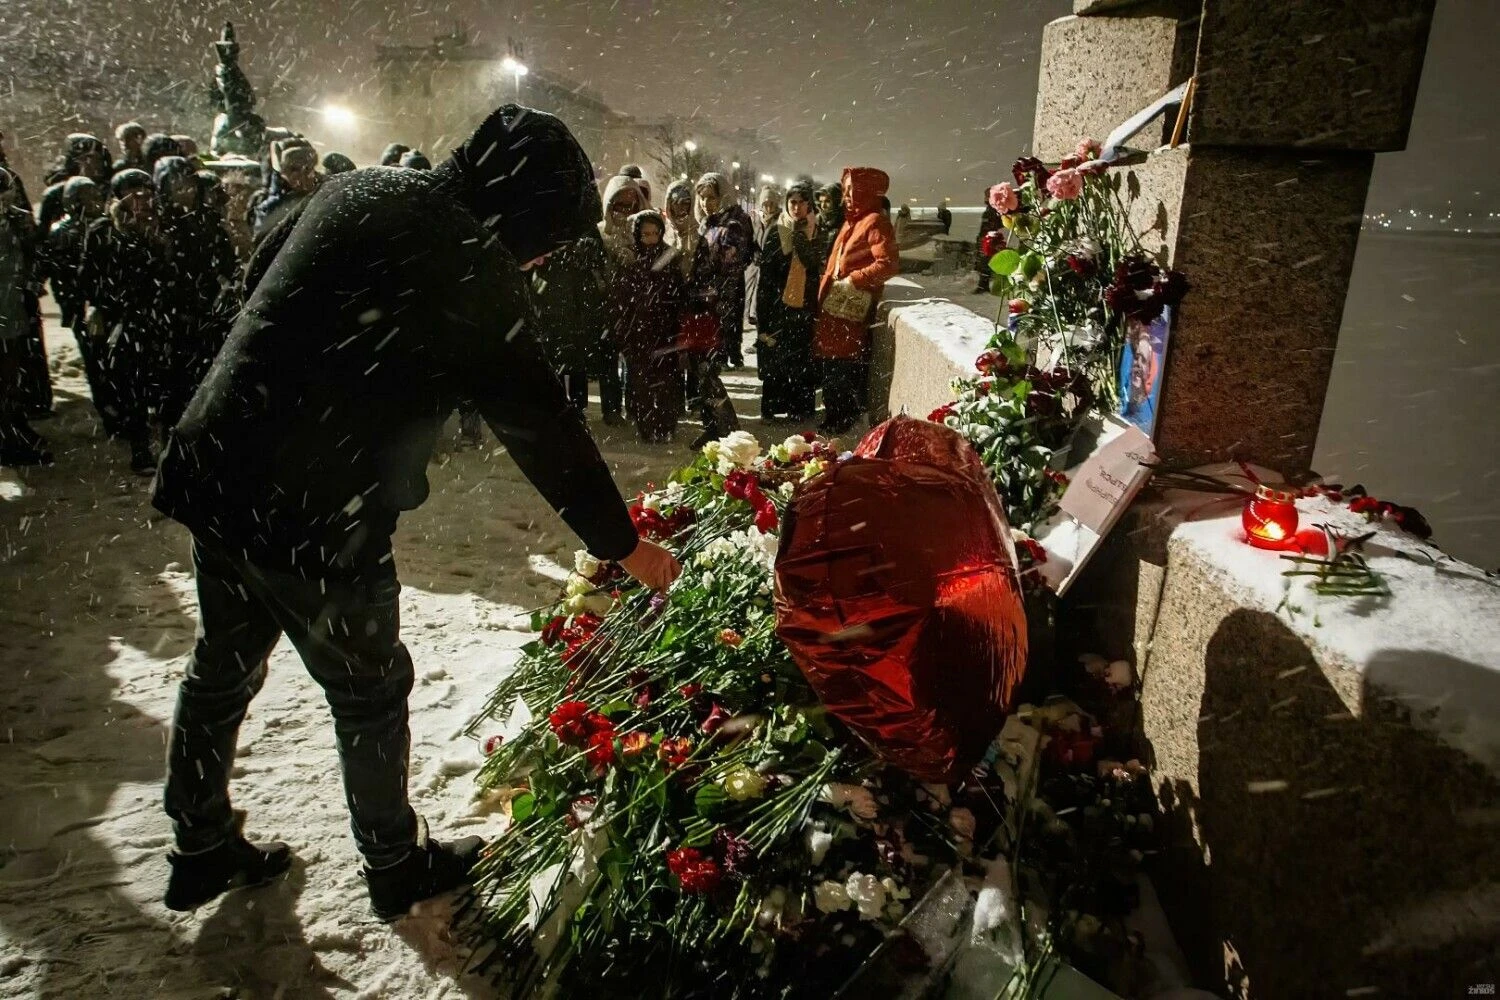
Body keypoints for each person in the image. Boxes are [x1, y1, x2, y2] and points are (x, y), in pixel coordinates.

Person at [150, 104, 682, 920]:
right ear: (522, 209)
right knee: (369, 686)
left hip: (223, 463)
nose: (542, 259)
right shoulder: (465, 255)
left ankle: (197, 842)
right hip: (317, 502)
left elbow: (256, 285)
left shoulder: (360, 188)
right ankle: (394, 862)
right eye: (545, 238)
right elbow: (539, 421)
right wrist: (626, 547)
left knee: (222, 663)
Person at [78, 168, 170, 473]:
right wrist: (100, 308)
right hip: (123, 317)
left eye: (146, 193)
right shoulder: (103, 230)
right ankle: (140, 450)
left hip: (158, 314)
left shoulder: (161, 224)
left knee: (163, 385)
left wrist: (155, 239)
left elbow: (170, 270)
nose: (141, 199)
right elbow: (89, 275)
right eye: (133, 193)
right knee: (131, 386)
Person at [154, 156, 238, 430]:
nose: (185, 191)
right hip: (174, 308)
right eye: (177, 186)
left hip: (208, 304)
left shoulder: (209, 218)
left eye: (189, 184)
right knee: (176, 376)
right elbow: (158, 268)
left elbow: (224, 259)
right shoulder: (161, 222)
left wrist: (225, 282)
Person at [814, 167, 898, 435]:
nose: (847, 196)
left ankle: (842, 417)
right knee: (832, 363)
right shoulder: (854, 220)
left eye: (853, 190)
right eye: (846, 190)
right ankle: (833, 414)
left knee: (842, 365)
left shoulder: (874, 221)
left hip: (848, 309)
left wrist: (855, 279)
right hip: (835, 307)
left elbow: (888, 263)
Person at [41, 177, 111, 432]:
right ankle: (107, 409)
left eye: (94, 194)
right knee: (94, 359)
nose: (93, 200)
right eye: (86, 196)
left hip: (102, 302)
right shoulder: (62, 231)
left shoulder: (104, 226)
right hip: (79, 305)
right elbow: (60, 272)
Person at [612, 210, 683, 443]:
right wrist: (623, 330)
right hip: (639, 330)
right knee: (641, 381)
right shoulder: (630, 259)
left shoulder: (670, 257)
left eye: (655, 233)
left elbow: (678, 294)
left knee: (666, 382)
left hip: (665, 330)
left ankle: (665, 425)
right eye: (646, 234)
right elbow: (621, 298)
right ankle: (647, 427)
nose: (651, 238)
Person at [754, 180, 821, 425]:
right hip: (778, 305)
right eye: (793, 202)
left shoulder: (815, 232)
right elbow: (767, 275)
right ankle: (772, 408)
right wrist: (764, 312)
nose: (797, 207)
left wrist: (801, 241)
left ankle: (799, 408)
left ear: (809, 205)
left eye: (802, 202)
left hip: (805, 305)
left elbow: (816, 266)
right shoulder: (778, 231)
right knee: (777, 360)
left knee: (801, 360)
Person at [0, 169, 50, 466]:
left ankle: (15, 429)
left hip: (15, 309)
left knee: (14, 377)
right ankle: (8, 441)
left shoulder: (17, 220)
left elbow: (36, 255)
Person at [596, 174, 646, 425]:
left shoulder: (643, 231)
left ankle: (635, 406)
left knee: (635, 360)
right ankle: (611, 408)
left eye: (631, 206)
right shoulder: (600, 234)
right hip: (608, 304)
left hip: (636, 305)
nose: (625, 212)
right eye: (619, 205)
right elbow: (595, 270)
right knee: (608, 359)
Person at [695, 172, 753, 369]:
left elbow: (732, 258)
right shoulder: (708, 221)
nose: (705, 203)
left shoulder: (734, 222)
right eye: (702, 198)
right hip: (714, 285)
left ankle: (726, 354)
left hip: (728, 284)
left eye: (711, 197)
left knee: (727, 319)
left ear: (723, 197)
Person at [251, 139, 319, 243]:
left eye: (308, 168)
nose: (302, 174)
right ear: (282, 172)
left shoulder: (324, 193)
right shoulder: (271, 206)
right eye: (294, 169)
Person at [745, 184, 781, 338]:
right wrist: (755, 253)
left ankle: (765, 337)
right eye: (765, 203)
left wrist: (769, 258)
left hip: (771, 271)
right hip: (758, 268)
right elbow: (754, 242)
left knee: (766, 305)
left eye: (771, 203)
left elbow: (782, 248)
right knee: (755, 301)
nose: (768, 207)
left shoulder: (780, 221)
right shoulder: (758, 222)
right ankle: (758, 332)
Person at [972, 186, 1008, 294]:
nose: (985, 198)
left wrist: (990, 238)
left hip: (990, 240)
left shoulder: (994, 210)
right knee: (984, 263)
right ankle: (983, 285)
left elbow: (995, 226)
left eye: (987, 196)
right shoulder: (992, 209)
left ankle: (984, 286)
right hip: (987, 239)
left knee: (986, 263)